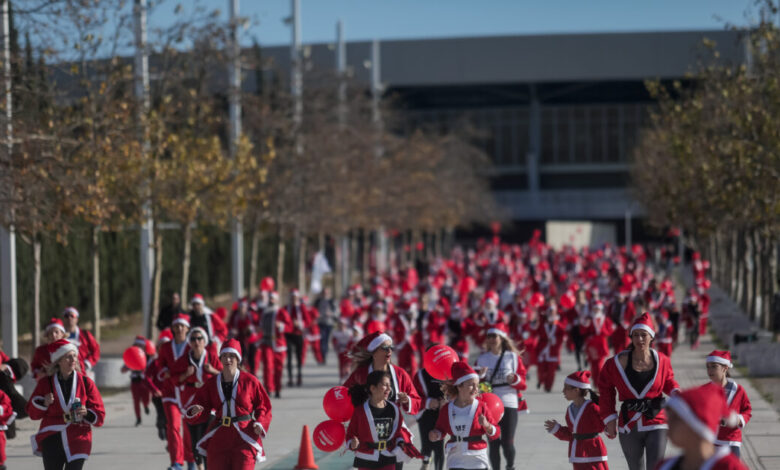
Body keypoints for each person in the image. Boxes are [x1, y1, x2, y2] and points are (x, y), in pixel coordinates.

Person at [597, 313, 680, 470]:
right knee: (635, 467)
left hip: (657, 420)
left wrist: (676, 392)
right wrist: (609, 417)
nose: (639, 339)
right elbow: (605, 388)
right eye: (635, 335)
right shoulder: (616, 363)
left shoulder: (662, 360)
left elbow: (668, 381)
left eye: (643, 335)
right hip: (629, 422)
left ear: (651, 337)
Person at [184, 339, 273, 470]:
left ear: (238, 359)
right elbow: (200, 403)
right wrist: (194, 411)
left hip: (244, 437)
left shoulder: (250, 381)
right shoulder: (212, 383)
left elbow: (263, 406)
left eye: (232, 356)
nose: (228, 360)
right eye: (224, 356)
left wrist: (260, 423)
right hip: (220, 436)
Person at [343, 331, 423, 470]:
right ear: (374, 352)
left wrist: (407, 400)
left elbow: (417, 401)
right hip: (368, 437)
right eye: (385, 348)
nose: (390, 351)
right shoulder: (360, 374)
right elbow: (344, 396)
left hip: (394, 436)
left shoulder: (399, 374)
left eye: (391, 347)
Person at [26, 339, 105, 470]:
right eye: (68, 356)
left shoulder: (86, 383)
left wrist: (87, 413)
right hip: (52, 437)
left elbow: (100, 414)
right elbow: (32, 413)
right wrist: (43, 403)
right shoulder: (46, 383)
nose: (73, 359)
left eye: (74, 355)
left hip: (78, 436)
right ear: (59, 361)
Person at [428, 361, 500, 470]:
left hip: (477, 458)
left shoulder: (481, 406)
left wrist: (487, 425)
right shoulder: (447, 408)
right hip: (456, 459)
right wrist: (435, 434)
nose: (476, 389)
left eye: (477, 385)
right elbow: (440, 429)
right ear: (459, 387)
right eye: (471, 385)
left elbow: (496, 433)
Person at [656, 384, 747, 470]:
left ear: (696, 426)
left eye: (676, 419)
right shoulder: (665, 466)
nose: (668, 423)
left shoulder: (730, 467)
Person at [475, 323, 527, 470]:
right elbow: (473, 384)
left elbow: (523, 383)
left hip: (509, 402)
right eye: (488, 336)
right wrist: (481, 376)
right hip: (489, 404)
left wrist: (515, 379)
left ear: (502, 338)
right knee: (493, 441)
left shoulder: (512, 357)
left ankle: (510, 466)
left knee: (507, 442)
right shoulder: (482, 359)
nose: (491, 339)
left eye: (494, 336)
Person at [346, 370, 422, 470]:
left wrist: (401, 442)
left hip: (388, 456)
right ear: (373, 388)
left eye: (390, 385)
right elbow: (350, 434)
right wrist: (352, 443)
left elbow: (398, 432)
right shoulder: (360, 411)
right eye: (385, 385)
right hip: (366, 458)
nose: (389, 389)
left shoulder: (394, 409)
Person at [175, 327, 221, 470]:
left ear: (204, 341)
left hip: (209, 402)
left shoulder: (212, 357)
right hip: (190, 401)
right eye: (193, 339)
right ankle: (199, 466)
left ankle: (208, 466)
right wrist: (186, 374)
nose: (196, 342)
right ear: (189, 341)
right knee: (194, 438)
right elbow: (175, 379)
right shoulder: (184, 359)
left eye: (199, 338)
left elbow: (225, 375)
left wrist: (213, 371)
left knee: (207, 436)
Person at [544, 370, 608, 470]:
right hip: (577, 454)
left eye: (566, 388)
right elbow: (571, 435)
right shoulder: (569, 410)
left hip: (593, 452)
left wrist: (607, 418)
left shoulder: (592, 408)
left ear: (576, 390)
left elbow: (602, 427)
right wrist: (557, 429)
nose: (563, 391)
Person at [157, 314, 192, 470]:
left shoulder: (192, 346)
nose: (179, 329)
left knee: (190, 427)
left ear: (187, 328)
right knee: (173, 426)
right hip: (170, 392)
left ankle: (191, 460)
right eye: (176, 326)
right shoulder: (165, 347)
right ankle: (176, 462)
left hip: (188, 393)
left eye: (182, 326)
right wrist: (165, 371)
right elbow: (160, 364)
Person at [706, 350, 752, 457]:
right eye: (707, 367)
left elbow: (747, 411)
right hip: (710, 441)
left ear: (725, 368)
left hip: (731, 441)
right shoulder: (704, 390)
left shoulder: (738, 390)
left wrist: (738, 419)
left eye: (714, 366)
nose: (709, 370)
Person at [413, 353, 445, 470]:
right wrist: (428, 402)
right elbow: (414, 396)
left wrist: (445, 401)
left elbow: (453, 392)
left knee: (439, 447)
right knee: (426, 445)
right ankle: (425, 462)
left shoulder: (445, 373)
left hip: (441, 415)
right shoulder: (420, 375)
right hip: (425, 413)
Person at [258, 292, 291, 398]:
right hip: (266, 342)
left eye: (273, 299)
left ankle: (277, 388)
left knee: (278, 368)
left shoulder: (281, 312)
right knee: (267, 366)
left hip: (278, 343)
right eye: (270, 298)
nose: (271, 301)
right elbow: (259, 325)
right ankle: (269, 388)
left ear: (276, 300)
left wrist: (281, 325)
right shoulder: (264, 312)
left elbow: (290, 326)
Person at [120, 336, 151, 426]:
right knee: (136, 400)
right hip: (134, 380)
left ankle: (145, 405)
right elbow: (123, 369)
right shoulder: (132, 355)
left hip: (145, 381)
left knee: (146, 398)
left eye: (140, 345)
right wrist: (128, 366)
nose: (138, 347)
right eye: (136, 345)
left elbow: (152, 368)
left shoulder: (148, 357)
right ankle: (138, 418)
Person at [61, 307, 100, 379]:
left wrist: (87, 363)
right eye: (66, 316)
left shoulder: (85, 335)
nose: (69, 318)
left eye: (72, 316)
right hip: (64, 373)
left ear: (77, 319)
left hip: (83, 371)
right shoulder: (59, 335)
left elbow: (96, 350)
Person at [281, 289, 308, 387]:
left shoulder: (301, 308)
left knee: (298, 356)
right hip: (288, 335)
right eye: (291, 297)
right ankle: (290, 378)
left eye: (295, 297)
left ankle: (299, 375)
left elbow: (308, 321)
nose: (293, 299)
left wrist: (299, 323)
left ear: (297, 298)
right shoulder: (285, 308)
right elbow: (281, 319)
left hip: (298, 334)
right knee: (289, 357)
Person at [537, 305, 565, 392]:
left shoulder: (559, 326)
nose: (551, 315)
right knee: (541, 369)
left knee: (551, 371)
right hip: (543, 351)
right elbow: (537, 334)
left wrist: (555, 340)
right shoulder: (542, 325)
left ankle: (548, 386)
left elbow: (562, 337)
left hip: (553, 351)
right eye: (550, 312)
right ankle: (541, 380)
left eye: (553, 313)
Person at [315, 287, 337, 363]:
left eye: (326, 293)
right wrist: (317, 315)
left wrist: (331, 313)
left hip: (329, 323)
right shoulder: (318, 301)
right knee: (322, 340)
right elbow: (313, 311)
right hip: (320, 323)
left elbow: (336, 312)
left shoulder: (331, 301)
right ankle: (323, 356)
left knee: (327, 340)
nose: (325, 294)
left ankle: (325, 355)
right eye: (324, 292)